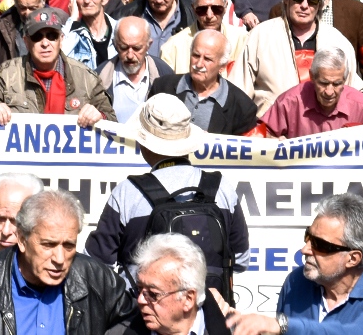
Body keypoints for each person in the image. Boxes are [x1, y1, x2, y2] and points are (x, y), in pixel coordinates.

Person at [88, 95, 249, 294]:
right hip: (210, 316)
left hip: (142, 317)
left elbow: (95, 265)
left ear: (144, 142)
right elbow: (240, 260)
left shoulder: (127, 193)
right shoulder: (222, 188)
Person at [0, 190, 137, 335]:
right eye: (48, 245)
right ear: (22, 240)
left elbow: (134, 323)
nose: (60, 259)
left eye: (68, 245)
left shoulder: (97, 279)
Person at [219, 194, 363, 335]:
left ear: (353, 258)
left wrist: (283, 325)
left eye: (320, 245)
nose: (305, 250)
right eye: (308, 237)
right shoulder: (296, 282)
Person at [231, 0, 363, 115]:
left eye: (312, 1)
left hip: (324, 132)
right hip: (271, 132)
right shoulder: (260, 36)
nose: (304, 6)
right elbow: (237, 93)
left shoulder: (338, 41)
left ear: (319, 5)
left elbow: (354, 96)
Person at [0, 7, 114, 126]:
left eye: (52, 36)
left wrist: (100, 116)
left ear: (61, 40)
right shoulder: (7, 75)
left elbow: (113, 122)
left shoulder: (86, 78)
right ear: (26, 42)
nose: (45, 43)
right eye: (37, 37)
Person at [148, 29, 259, 136]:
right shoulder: (162, 87)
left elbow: (240, 152)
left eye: (207, 59)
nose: (199, 64)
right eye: (196, 55)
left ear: (222, 66)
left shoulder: (242, 107)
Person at [259, 50, 363, 137]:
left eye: (336, 84)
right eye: (323, 83)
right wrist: (274, 141)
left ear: (345, 80)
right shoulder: (289, 102)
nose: (329, 92)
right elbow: (260, 135)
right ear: (312, 77)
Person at [129, 235, 229, 335]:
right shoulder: (122, 331)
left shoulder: (236, 330)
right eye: (139, 289)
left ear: (188, 299)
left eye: (153, 294)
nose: (140, 300)